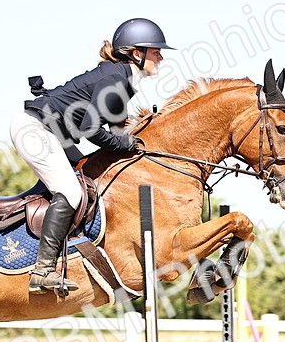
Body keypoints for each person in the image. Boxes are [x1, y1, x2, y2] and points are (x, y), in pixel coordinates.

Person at [10, 18, 172, 294]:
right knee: (71, 192)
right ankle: (42, 270)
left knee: (87, 176)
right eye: (155, 51)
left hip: (53, 131)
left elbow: (117, 128)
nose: (161, 56)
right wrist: (126, 143)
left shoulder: (123, 79)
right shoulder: (116, 78)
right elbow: (91, 130)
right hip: (36, 130)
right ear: (137, 53)